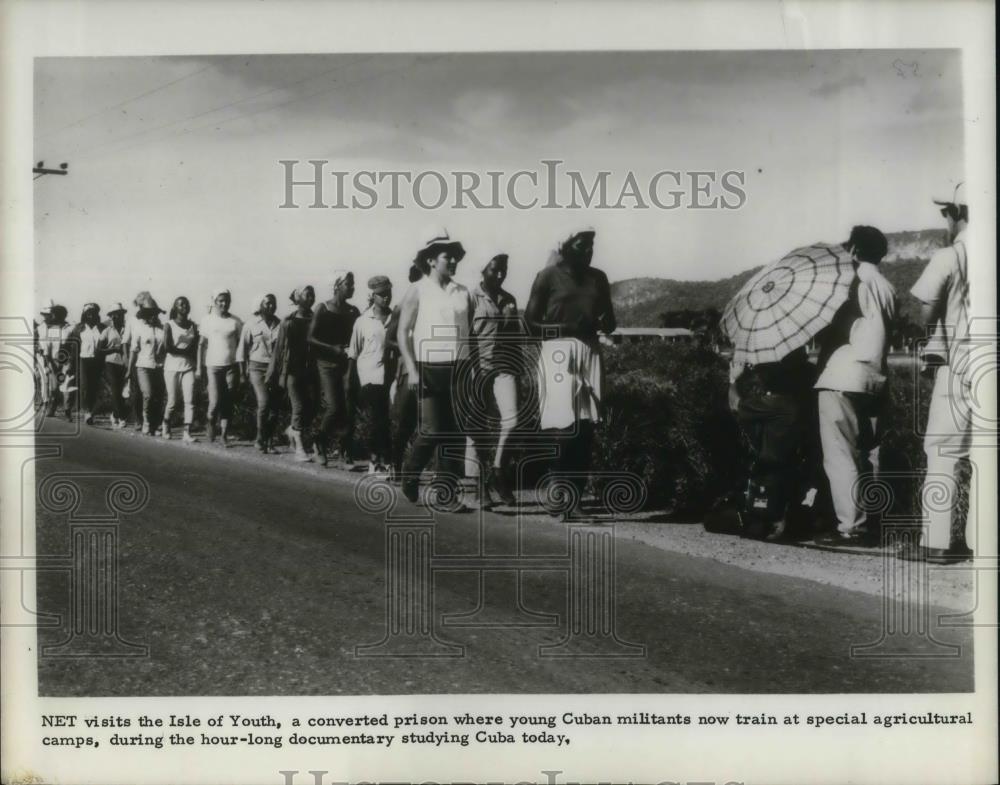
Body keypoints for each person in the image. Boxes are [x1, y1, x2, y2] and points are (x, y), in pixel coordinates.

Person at [900, 184, 973, 564]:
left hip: (961, 362)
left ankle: (938, 542)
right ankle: (981, 540)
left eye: (946, 213)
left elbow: (927, 309)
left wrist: (931, 341)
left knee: (943, 451)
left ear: (957, 212)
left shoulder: (951, 254)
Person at [813, 226, 896, 547]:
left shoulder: (848, 282)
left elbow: (832, 327)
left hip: (842, 376)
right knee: (870, 453)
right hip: (875, 377)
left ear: (854, 251)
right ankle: (873, 522)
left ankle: (851, 527)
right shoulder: (887, 287)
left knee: (841, 455)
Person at [524, 229, 616, 519]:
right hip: (557, 353)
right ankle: (558, 490)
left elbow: (610, 322)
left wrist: (602, 321)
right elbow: (530, 324)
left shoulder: (598, 278)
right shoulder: (547, 276)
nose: (588, 251)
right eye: (581, 245)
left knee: (585, 428)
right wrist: (566, 329)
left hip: (589, 352)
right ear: (565, 246)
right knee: (563, 428)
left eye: (591, 246)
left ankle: (572, 499)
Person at [398, 228, 475, 509]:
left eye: (455, 256)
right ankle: (411, 471)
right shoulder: (417, 290)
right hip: (429, 367)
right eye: (447, 256)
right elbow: (403, 332)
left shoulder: (463, 292)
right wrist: (412, 369)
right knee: (431, 430)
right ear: (431, 260)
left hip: (459, 367)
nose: (453, 261)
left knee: (454, 433)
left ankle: (446, 495)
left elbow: (470, 333)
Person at [465, 253, 521, 506]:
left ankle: (497, 471)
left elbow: (515, 338)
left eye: (504, 270)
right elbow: (465, 337)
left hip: (505, 367)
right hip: (479, 367)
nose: (500, 274)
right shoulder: (470, 298)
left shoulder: (510, 300)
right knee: (477, 429)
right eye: (495, 269)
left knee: (512, 420)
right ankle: (478, 487)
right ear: (483, 269)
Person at [308, 271, 360, 466]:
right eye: (348, 284)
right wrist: (332, 348)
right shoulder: (323, 308)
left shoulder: (353, 311)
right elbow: (310, 337)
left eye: (353, 284)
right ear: (337, 285)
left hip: (347, 364)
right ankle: (319, 442)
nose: (352, 287)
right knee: (333, 406)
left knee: (348, 407)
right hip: (326, 364)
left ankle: (345, 451)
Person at [348, 276, 393, 474]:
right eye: (381, 294)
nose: (386, 298)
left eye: (388, 293)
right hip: (369, 376)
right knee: (376, 418)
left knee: (387, 419)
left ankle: (388, 459)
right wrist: (350, 381)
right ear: (373, 296)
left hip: (390, 377)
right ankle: (376, 460)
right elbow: (353, 352)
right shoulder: (362, 321)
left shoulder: (396, 318)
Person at [385, 264, 425, 483]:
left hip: (431, 368)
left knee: (430, 422)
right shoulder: (402, 306)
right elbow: (389, 339)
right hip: (408, 370)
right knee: (405, 422)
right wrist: (409, 345)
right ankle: (396, 464)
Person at [268, 286, 316, 461]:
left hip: (311, 371)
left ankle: (292, 431)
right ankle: (300, 449)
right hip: (293, 371)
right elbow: (279, 349)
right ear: (298, 298)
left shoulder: (315, 319)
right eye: (307, 294)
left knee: (311, 407)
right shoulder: (288, 321)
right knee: (298, 407)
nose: (311, 298)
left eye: (312, 295)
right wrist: (275, 373)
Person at [198, 289, 243, 446]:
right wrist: (199, 368)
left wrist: (242, 367)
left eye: (227, 300)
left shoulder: (236, 321)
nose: (224, 303)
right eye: (221, 300)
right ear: (215, 302)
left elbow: (241, 345)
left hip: (231, 366)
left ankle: (224, 434)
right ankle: (210, 422)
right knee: (214, 402)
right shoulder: (207, 320)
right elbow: (201, 345)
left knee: (228, 401)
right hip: (213, 366)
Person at [240, 294, 282, 452]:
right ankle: (259, 437)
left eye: (274, 304)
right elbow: (242, 350)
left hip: (275, 369)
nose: (271, 306)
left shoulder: (281, 324)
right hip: (256, 367)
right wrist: (242, 374)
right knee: (264, 402)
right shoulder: (251, 324)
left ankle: (270, 440)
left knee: (275, 408)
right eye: (268, 303)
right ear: (261, 306)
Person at [128, 294, 166, 435]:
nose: (152, 316)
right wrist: (128, 369)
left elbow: (167, 347)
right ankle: (146, 421)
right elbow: (133, 349)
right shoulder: (139, 328)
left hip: (159, 367)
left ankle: (155, 424)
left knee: (158, 396)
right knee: (148, 394)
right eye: (149, 313)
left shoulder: (162, 329)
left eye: (154, 313)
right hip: (143, 366)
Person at [162, 296, 199, 443]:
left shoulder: (193, 326)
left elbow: (195, 346)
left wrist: (188, 352)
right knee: (172, 401)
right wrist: (186, 351)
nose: (184, 306)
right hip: (171, 367)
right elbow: (168, 347)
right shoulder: (169, 325)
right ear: (175, 307)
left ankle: (187, 432)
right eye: (181, 304)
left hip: (188, 367)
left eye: (186, 304)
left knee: (190, 400)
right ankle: (165, 424)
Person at [66, 303, 105, 424]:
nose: (91, 315)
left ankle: (91, 411)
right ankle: (87, 411)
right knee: (85, 386)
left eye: (93, 313)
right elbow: (74, 348)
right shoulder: (79, 328)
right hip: (84, 359)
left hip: (98, 361)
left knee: (95, 387)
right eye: (88, 313)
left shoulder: (102, 328)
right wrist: (72, 364)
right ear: (84, 314)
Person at [35, 301, 73, 418]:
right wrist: (50, 363)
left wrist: (70, 362)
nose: (56, 317)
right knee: (55, 387)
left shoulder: (69, 328)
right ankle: (52, 406)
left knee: (67, 385)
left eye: (60, 314)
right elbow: (47, 348)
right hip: (54, 361)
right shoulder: (50, 330)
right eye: (56, 314)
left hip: (67, 360)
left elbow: (72, 345)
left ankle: (67, 410)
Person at [98, 303, 130, 429]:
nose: (117, 317)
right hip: (110, 363)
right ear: (111, 317)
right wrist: (114, 349)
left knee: (122, 392)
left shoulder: (128, 329)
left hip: (125, 364)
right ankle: (122, 416)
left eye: (120, 315)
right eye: (115, 315)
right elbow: (99, 350)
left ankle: (115, 413)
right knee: (116, 389)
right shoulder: (106, 331)